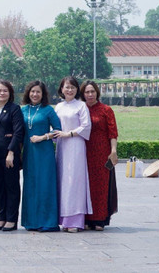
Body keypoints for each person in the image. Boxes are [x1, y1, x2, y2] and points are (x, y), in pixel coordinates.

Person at [19, 80, 62, 232]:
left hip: (45, 153)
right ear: (28, 93)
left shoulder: (48, 110)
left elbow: (58, 130)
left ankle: (48, 222)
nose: (35, 94)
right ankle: (31, 221)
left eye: (38, 92)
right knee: (30, 186)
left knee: (45, 185)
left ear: (43, 94)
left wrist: (42, 137)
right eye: (32, 91)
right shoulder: (23, 110)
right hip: (29, 154)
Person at [53, 76, 92, 233]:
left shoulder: (81, 106)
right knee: (63, 180)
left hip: (75, 145)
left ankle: (75, 220)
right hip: (61, 146)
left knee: (74, 181)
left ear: (77, 90)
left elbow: (86, 126)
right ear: (61, 89)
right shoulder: (58, 107)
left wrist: (68, 134)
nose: (69, 90)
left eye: (72, 87)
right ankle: (64, 219)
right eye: (66, 87)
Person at [0, 80, 24, 232]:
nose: (2, 93)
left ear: (10, 93)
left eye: (5, 91)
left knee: (12, 186)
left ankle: (11, 219)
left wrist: (11, 152)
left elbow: (18, 132)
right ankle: (1, 217)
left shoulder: (14, 109)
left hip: (9, 155)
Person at [81, 80, 119, 231]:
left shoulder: (106, 110)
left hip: (102, 152)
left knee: (101, 185)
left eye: (92, 91)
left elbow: (113, 132)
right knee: (86, 185)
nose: (90, 95)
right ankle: (85, 218)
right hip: (84, 152)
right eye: (87, 92)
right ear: (82, 94)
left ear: (97, 92)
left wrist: (113, 151)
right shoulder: (80, 109)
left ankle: (100, 218)